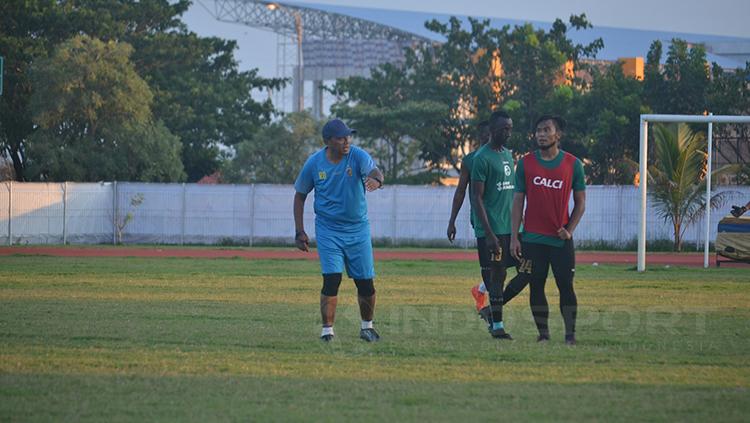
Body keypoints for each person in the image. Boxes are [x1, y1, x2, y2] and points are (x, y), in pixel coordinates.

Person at [293, 118, 385, 343]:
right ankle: (327, 331)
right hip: (328, 230)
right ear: (327, 141)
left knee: (365, 282)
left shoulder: (357, 155)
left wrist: (377, 181)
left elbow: (375, 171)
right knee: (332, 279)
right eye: (341, 137)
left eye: (348, 136)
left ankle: (367, 328)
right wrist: (299, 231)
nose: (347, 141)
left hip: (358, 229)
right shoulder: (314, 163)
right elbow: (300, 195)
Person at [510, 115, 586, 345]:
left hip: (560, 241)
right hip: (532, 239)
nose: (541, 134)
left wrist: (569, 229)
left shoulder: (573, 164)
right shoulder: (525, 163)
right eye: (538, 131)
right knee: (536, 285)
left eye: (546, 130)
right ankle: (543, 334)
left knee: (565, 286)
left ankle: (570, 335)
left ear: (557, 135)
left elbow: (580, 203)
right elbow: (517, 202)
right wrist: (515, 237)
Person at [470, 110, 518, 340]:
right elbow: (476, 197)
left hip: (512, 229)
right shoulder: (481, 158)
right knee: (497, 276)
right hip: (492, 231)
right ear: (491, 131)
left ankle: (489, 310)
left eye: (510, 128)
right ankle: (497, 326)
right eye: (503, 129)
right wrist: (488, 234)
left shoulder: (509, 155)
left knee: (528, 270)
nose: (508, 133)